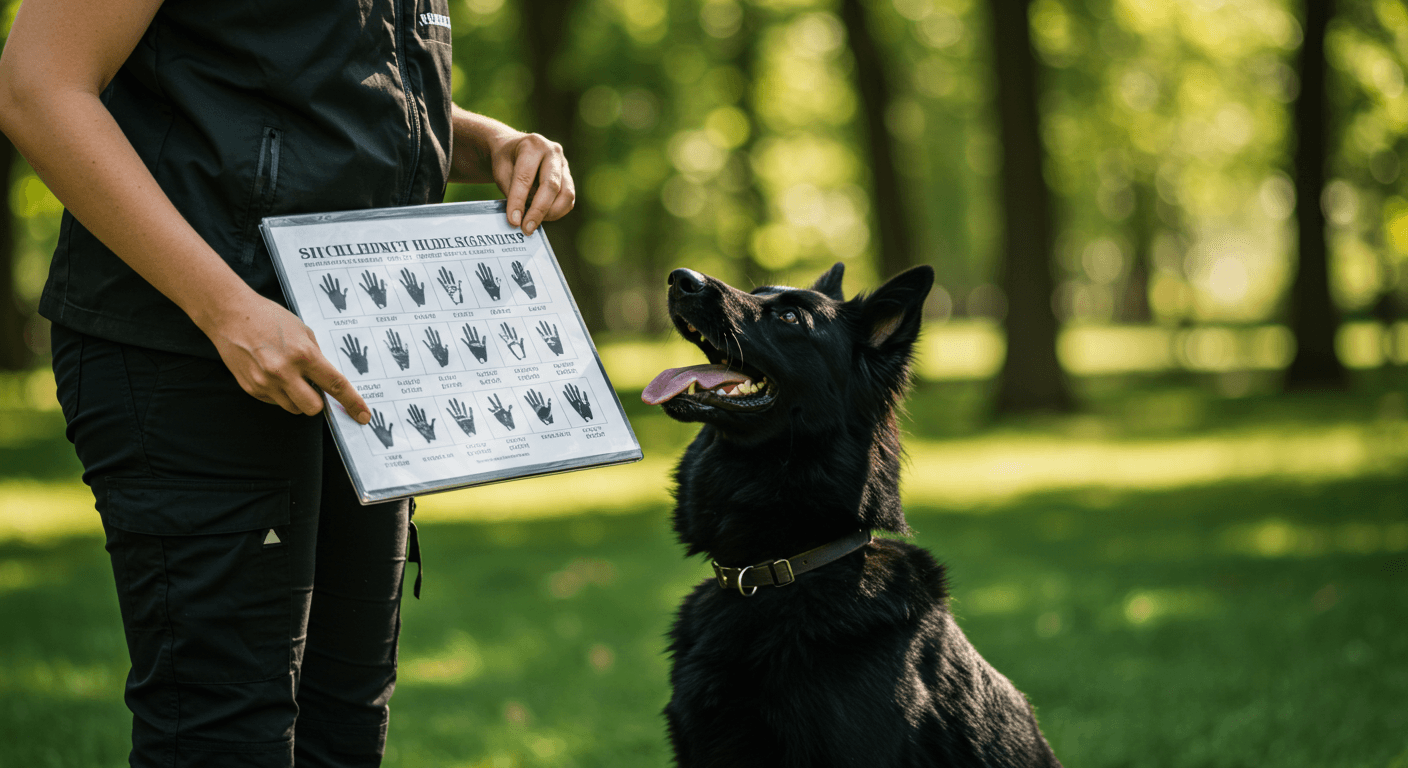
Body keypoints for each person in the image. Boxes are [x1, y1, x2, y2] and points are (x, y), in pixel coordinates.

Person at [0, 1, 575, 765]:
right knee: (225, 735)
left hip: (363, 361)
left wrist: (489, 142)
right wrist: (226, 307)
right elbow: (38, 88)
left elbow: (327, 88)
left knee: (344, 727)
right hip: (189, 348)